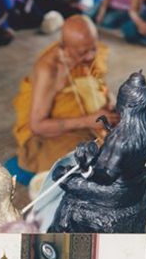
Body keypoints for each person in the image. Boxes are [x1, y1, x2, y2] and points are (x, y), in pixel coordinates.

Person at [12, 14, 118, 175]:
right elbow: (37, 125)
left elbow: (100, 84)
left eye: (93, 48)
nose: (91, 56)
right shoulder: (49, 68)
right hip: (56, 131)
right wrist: (87, 121)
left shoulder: (87, 53)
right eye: (83, 52)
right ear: (66, 47)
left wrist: (110, 99)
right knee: (84, 161)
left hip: (92, 118)